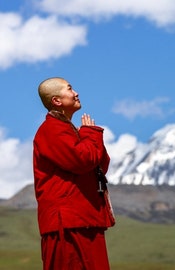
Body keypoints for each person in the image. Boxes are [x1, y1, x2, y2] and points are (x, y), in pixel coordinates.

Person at [33, 77, 115, 270]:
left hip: (84, 220)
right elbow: (83, 161)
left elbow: (100, 165)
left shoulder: (69, 131)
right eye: (69, 89)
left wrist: (88, 135)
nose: (76, 92)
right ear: (57, 101)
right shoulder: (51, 130)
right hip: (68, 224)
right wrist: (90, 134)